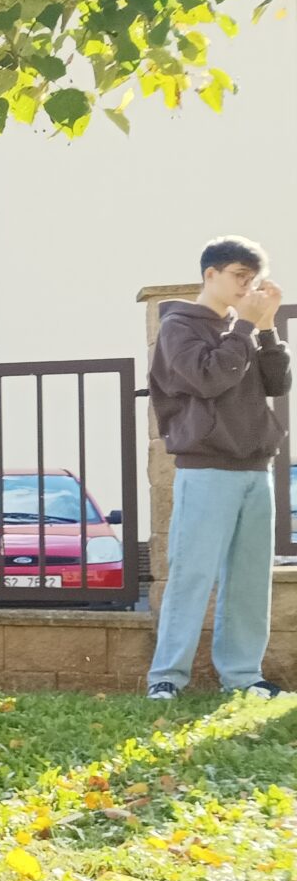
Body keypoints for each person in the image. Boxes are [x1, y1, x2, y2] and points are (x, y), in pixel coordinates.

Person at [146, 235, 288, 700]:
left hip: (255, 467)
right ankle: (166, 677)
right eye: (240, 278)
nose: (248, 287)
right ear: (211, 275)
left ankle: (244, 678)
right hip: (206, 467)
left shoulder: (244, 326)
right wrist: (245, 328)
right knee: (192, 573)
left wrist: (266, 328)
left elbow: (276, 382)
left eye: (255, 280)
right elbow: (209, 379)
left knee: (249, 579)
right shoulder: (178, 327)